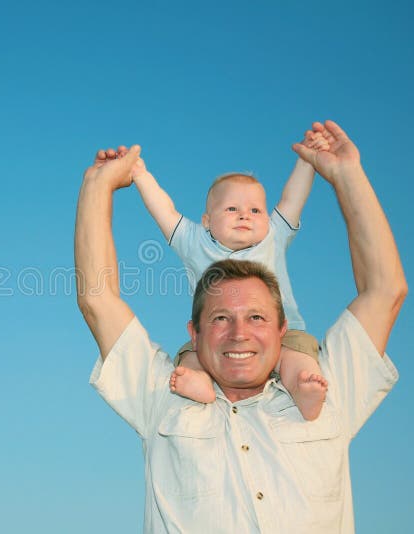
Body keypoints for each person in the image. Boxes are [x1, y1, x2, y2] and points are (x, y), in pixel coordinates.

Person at [74, 120, 407, 532]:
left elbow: (385, 290)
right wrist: (97, 186)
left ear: (283, 330)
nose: (239, 333)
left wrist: (345, 173)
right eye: (219, 318)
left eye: (257, 317)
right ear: (193, 333)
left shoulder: (326, 386)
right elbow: (97, 300)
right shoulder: (165, 396)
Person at [131, 130, 329, 420]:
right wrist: (139, 174)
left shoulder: (272, 237)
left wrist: (307, 161)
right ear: (207, 221)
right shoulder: (193, 241)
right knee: (191, 355)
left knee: (298, 357)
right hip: (217, 338)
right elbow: (164, 210)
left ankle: (304, 390)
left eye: (255, 210)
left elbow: (292, 199)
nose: (244, 216)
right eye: (232, 209)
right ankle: (200, 382)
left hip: (283, 333)